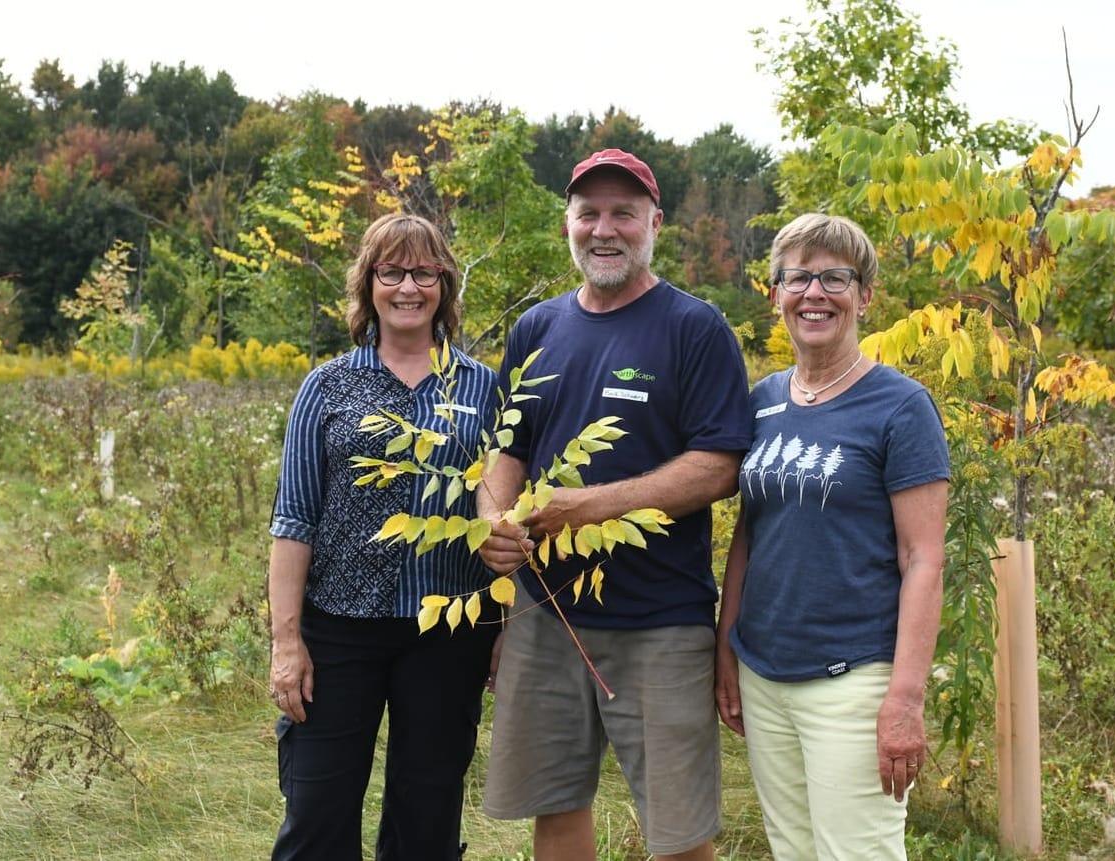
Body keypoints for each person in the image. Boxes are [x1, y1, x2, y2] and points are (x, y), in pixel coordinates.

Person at [476, 148, 753, 861]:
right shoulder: (536, 329)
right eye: (588, 212)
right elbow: (506, 449)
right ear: (567, 223)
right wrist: (492, 524)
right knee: (556, 803)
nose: (604, 228)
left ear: (654, 222)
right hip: (547, 618)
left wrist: (591, 507)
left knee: (678, 828)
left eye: (622, 213)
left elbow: (719, 464)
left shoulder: (694, 328)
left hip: (659, 621)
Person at [714, 213, 950, 860]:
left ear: (864, 295)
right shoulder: (761, 399)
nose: (813, 292)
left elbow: (923, 557)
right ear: (775, 294)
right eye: (797, 277)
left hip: (852, 677)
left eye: (834, 277)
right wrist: (725, 647)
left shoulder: (899, 406)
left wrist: (904, 698)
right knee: (793, 849)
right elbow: (748, 534)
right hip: (764, 671)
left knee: (858, 852)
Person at [266, 212, 500, 860]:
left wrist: (507, 625)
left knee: (425, 819)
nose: (408, 286)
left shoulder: (481, 388)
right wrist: (287, 642)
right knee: (316, 813)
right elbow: (293, 521)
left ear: (444, 284)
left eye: (423, 271)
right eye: (391, 271)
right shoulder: (327, 386)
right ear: (367, 283)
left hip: (448, 630)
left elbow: (501, 513)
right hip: (337, 627)